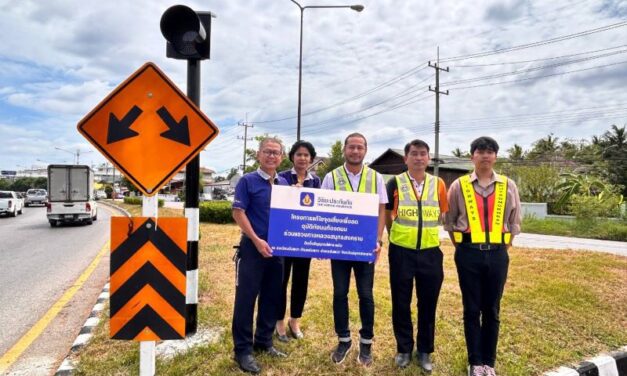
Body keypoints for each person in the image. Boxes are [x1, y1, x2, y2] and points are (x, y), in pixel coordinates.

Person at [444, 136, 521, 376]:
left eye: (490, 151)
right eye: (480, 151)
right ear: (472, 156)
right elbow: (450, 222)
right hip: (467, 254)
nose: (485, 155)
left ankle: (489, 362)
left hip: (498, 254)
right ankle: (475, 362)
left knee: (492, 309)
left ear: (496, 156)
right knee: (471, 309)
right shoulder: (459, 185)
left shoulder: (508, 185)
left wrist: (500, 248)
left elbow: (515, 222)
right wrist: (465, 248)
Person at [320, 132, 387, 367]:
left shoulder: (375, 177)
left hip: (365, 246)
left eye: (360, 148)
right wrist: (325, 240)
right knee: (340, 293)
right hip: (339, 246)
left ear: (365, 151)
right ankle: (344, 339)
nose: (355, 151)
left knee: (366, 295)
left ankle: (366, 342)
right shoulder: (331, 177)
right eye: (351, 147)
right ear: (344, 150)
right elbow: (323, 210)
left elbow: (381, 210)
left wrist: (378, 239)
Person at [385, 139, 448, 372]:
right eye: (414, 154)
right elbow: (388, 216)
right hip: (401, 252)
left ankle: (424, 351)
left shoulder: (439, 183)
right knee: (401, 302)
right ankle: (403, 349)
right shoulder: (395, 182)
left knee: (428, 303)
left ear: (428, 158)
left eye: (423, 154)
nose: (419, 158)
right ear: (406, 158)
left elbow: (443, 214)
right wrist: (397, 237)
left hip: (431, 253)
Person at [231, 137, 290, 374]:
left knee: (271, 297)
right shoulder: (248, 181)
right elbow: (238, 212)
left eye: (276, 153)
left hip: (278, 252)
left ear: (282, 157)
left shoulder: (285, 185)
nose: (272, 156)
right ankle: (243, 351)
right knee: (246, 300)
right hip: (252, 250)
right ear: (258, 154)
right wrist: (256, 240)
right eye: (267, 151)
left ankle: (264, 341)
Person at [275, 140, 321, 342]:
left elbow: (319, 208)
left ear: (311, 159)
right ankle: (279, 323)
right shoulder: (282, 177)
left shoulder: (316, 181)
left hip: (305, 239)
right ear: (292, 157)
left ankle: (295, 320)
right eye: (299, 154)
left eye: (306, 155)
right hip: (284, 238)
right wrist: (290, 194)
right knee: (281, 281)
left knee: (301, 281)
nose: (302, 158)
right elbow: (276, 205)